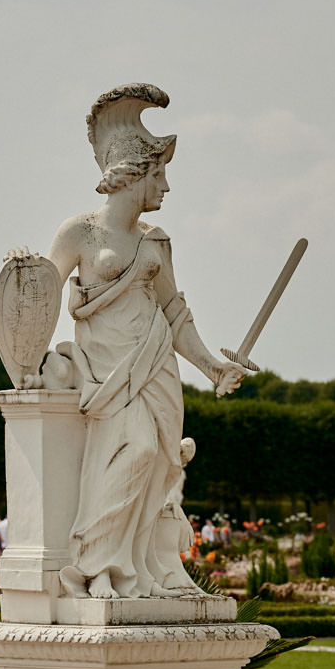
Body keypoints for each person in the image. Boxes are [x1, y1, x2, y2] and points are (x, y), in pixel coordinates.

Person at [44, 83, 249, 600]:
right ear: (133, 175)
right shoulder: (81, 234)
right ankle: (100, 564)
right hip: (107, 372)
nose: (166, 186)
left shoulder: (155, 242)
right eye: (159, 173)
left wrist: (212, 367)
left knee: (162, 464)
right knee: (133, 451)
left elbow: (175, 313)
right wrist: (33, 357)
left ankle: (145, 570)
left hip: (155, 365)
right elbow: (39, 297)